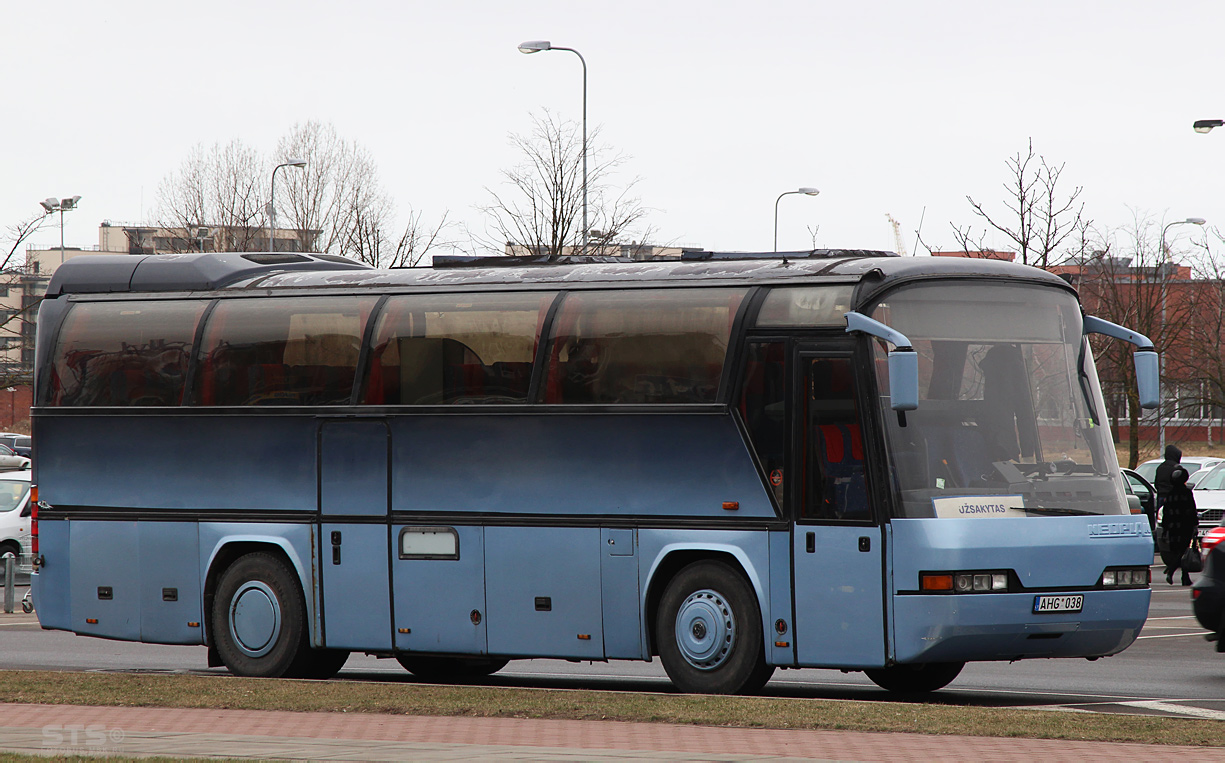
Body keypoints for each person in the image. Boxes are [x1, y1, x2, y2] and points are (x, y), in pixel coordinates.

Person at [1161, 466, 1198, 586]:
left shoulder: (1170, 494)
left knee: (1179, 551)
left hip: (1172, 528)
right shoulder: (1186, 493)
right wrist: (1195, 525)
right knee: (1183, 551)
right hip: (1184, 527)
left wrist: (1165, 528)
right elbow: (1191, 510)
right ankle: (1171, 570)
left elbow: (1166, 512)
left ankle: (1184, 577)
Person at [1153, 444, 1183, 509]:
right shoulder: (1177, 468)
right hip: (1173, 498)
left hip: (1161, 496)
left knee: (1161, 516)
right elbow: (1180, 485)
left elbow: (1156, 484)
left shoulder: (1160, 467)